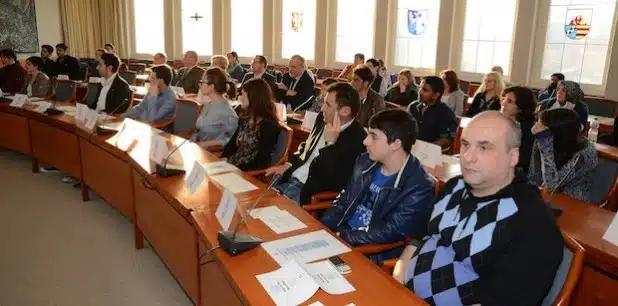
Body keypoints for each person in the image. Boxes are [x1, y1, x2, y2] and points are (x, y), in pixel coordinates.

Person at [394, 111, 564, 306]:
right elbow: (420, 236)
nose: (468, 157)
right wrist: (398, 279)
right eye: (465, 144)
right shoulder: (454, 186)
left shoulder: (532, 224)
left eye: (484, 147)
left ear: (513, 156)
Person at [320, 109, 434, 262]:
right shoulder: (365, 162)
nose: (365, 141)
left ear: (395, 144)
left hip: (369, 252)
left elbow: (389, 231)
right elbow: (344, 198)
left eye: (373, 136)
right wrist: (323, 227)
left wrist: (342, 236)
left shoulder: (419, 186)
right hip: (341, 238)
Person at [265, 82, 367, 205]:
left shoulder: (358, 140)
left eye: (327, 104)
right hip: (289, 178)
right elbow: (306, 147)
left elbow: (332, 179)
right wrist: (288, 164)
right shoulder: (322, 118)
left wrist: (330, 144)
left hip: (307, 194)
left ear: (345, 111)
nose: (322, 108)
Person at [528, 108, 597, 202]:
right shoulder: (546, 140)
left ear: (557, 133)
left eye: (542, 126)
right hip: (544, 198)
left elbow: (552, 185)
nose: (536, 128)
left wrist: (545, 146)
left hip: (572, 203)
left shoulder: (585, 154)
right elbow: (533, 175)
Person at [221, 78, 280, 171]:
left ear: (254, 97)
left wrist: (235, 169)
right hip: (232, 165)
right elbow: (232, 144)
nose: (240, 98)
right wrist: (224, 157)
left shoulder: (268, 126)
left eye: (243, 94)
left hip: (246, 172)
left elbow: (261, 162)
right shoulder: (245, 118)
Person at [191, 67, 239, 147]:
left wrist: (206, 144)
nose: (199, 85)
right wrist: (193, 140)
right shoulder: (208, 104)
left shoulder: (227, 112)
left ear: (212, 86)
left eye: (202, 82)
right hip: (198, 149)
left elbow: (233, 140)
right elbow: (199, 130)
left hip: (212, 153)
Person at [407, 76, 458, 149]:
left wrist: (425, 148)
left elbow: (447, 139)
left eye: (425, 90)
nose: (420, 92)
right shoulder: (413, 107)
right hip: (410, 149)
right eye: (420, 87)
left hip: (431, 153)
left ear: (436, 95)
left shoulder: (445, 113)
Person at [500, 86, 537, 175]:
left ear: (521, 107)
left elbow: (521, 163)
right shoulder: (501, 121)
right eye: (504, 99)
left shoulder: (528, 129)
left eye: (509, 101)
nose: (503, 103)